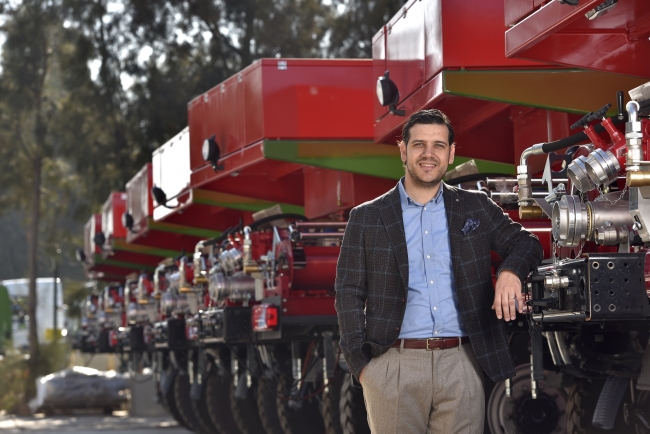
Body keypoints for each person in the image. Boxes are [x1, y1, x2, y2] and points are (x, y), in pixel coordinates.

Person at [334, 109, 543, 433]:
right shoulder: (367, 217)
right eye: (419, 144)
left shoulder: (476, 206)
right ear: (403, 151)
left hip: (461, 363)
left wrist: (510, 273)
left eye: (439, 145)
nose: (428, 154)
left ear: (451, 152)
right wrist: (362, 366)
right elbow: (348, 291)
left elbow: (527, 243)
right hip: (392, 365)